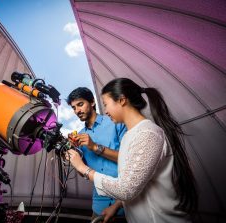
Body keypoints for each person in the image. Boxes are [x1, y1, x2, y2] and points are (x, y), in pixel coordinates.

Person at [66, 78, 198, 223]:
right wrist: (75, 159)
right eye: (73, 108)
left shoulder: (148, 134)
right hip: (115, 207)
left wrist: (83, 167)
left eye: (106, 104)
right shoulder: (131, 135)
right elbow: (133, 177)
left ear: (122, 100)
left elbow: (126, 189)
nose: (106, 111)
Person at [66, 87, 127, 219]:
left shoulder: (115, 122)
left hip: (125, 203)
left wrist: (94, 146)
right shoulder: (80, 136)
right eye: (74, 108)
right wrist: (74, 157)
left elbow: (129, 160)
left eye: (80, 104)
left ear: (92, 102)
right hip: (98, 206)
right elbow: (84, 174)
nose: (77, 111)